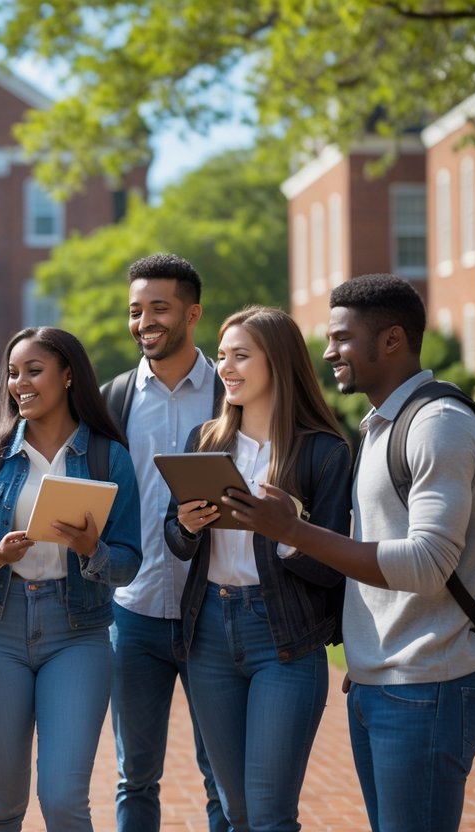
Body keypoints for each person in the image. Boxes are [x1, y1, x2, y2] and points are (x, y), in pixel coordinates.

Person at [223, 275, 475, 832]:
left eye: (342, 338)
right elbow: (372, 552)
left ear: (392, 340)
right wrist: (367, 653)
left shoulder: (436, 426)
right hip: (384, 679)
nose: (328, 352)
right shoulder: (380, 428)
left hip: (430, 681)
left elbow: (426, 564)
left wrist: (293, 532)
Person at [165, 306, 350, 830]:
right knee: (235, 808)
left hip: (284, 640)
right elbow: (175, 543)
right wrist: (187, 526)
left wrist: (288, 533)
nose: (226, 367)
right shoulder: (204, 442)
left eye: (241, 356)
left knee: (269, 813)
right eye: (222, 356)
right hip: (209, 640)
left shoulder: (324, 454)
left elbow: (333, 569)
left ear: (279, 362)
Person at [0, 326, 142, 831]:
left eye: (33, 371)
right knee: (1, 807)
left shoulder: (108, 458)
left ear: (67, 375)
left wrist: (91, 550)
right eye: (13, 373)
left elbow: (129, 561)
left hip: (77, 633)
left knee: (62, 800)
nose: (20, 384)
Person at [101, 253, 226, 832]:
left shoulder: (233, 391)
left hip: (217, 612)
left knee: (222, 776)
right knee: (135, 776)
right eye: (135, 310)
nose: (143, 321)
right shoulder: (115, 398)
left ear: (192, 312)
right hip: (135, 612)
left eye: (158, 308)